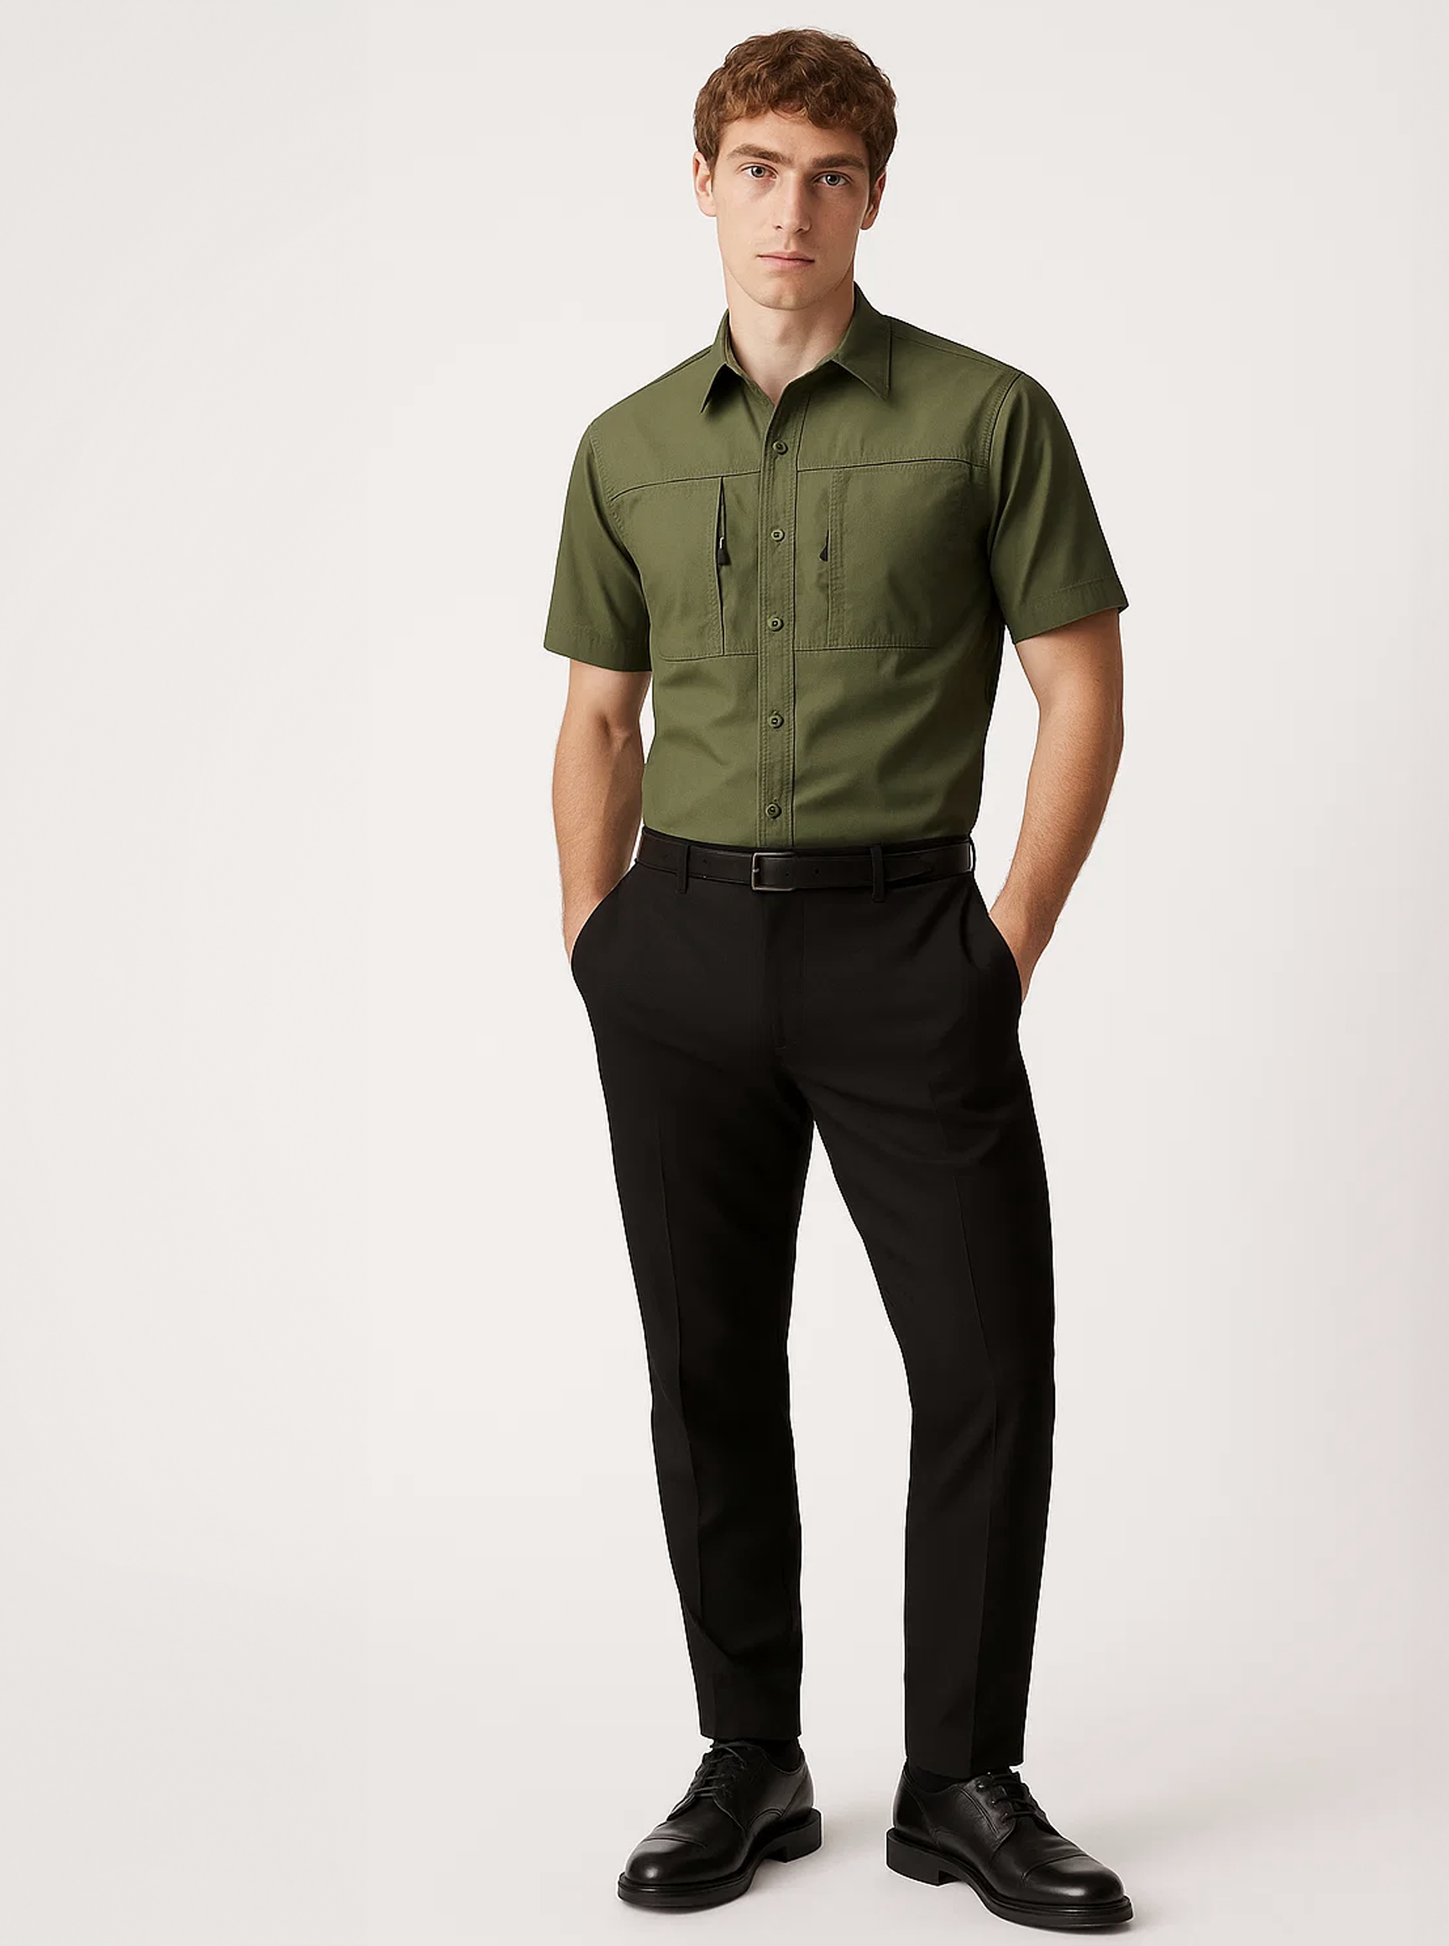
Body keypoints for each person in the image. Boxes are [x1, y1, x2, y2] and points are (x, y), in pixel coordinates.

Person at [544, 27, 1132, 1931]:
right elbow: (599, 717)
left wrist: (1002, 943)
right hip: (679, 947)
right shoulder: (627, 446)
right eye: (755, 168)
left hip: (905, 944)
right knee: (706, 1367)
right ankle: (752, 1754)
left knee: (984, 1364)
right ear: (700, 184)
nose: (787, 208)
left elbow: (1079, 687)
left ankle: (958, 1777)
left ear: (872, 197)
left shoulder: (986, 416)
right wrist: (599, 941)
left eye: (826, 175)